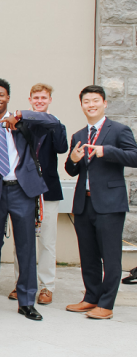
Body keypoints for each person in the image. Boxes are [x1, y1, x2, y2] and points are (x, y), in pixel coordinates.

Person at [0, 78, 60, 322]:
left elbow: (52, 121)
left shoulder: (25, 123)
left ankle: (26, 301)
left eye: (1, 94)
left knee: (25, 247)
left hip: (22, 190)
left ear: (8, 97)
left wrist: (22, 115)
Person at [65, 85, 137, 320]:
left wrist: (106, 150)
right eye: (86, 101)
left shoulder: (119, 130)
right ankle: (91, 298)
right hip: (84, 204)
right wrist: (73, 160)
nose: (91, 105)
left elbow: (134, 157)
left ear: (104, 103)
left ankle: (106, 304)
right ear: (82, 105)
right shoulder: (78, 135)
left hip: (110, 204)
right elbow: (71, 169)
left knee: (111, 256)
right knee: (88, 255)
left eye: (95, 100)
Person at [8, 83, 68, 305]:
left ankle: (46, 287)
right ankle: (21, 283)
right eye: (36, 98)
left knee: (47, 241)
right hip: (23, 189)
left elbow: (62, 148)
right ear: (30, 100)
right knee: (22, 241)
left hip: (48, 190)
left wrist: (53, 125)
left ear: (50, 99)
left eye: (44, 98)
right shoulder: (22, 124)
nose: (40, 101)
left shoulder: (56, 124)